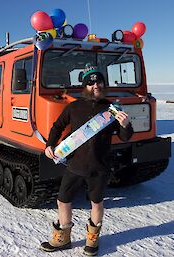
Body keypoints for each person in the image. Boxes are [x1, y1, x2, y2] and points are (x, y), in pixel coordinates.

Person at [40, 65, 134, 256]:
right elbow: (58, 127)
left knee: (97, 203)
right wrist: (50, 145)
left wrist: (125, 125)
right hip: (75, 165)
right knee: (63, 200)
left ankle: (92, 239)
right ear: (85, 86)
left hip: (100, 167)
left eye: (99, 81)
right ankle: (63, 238)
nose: (95, 85)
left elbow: (125, 137)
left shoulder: (112, 110)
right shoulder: (74, 107)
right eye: (90, 82)